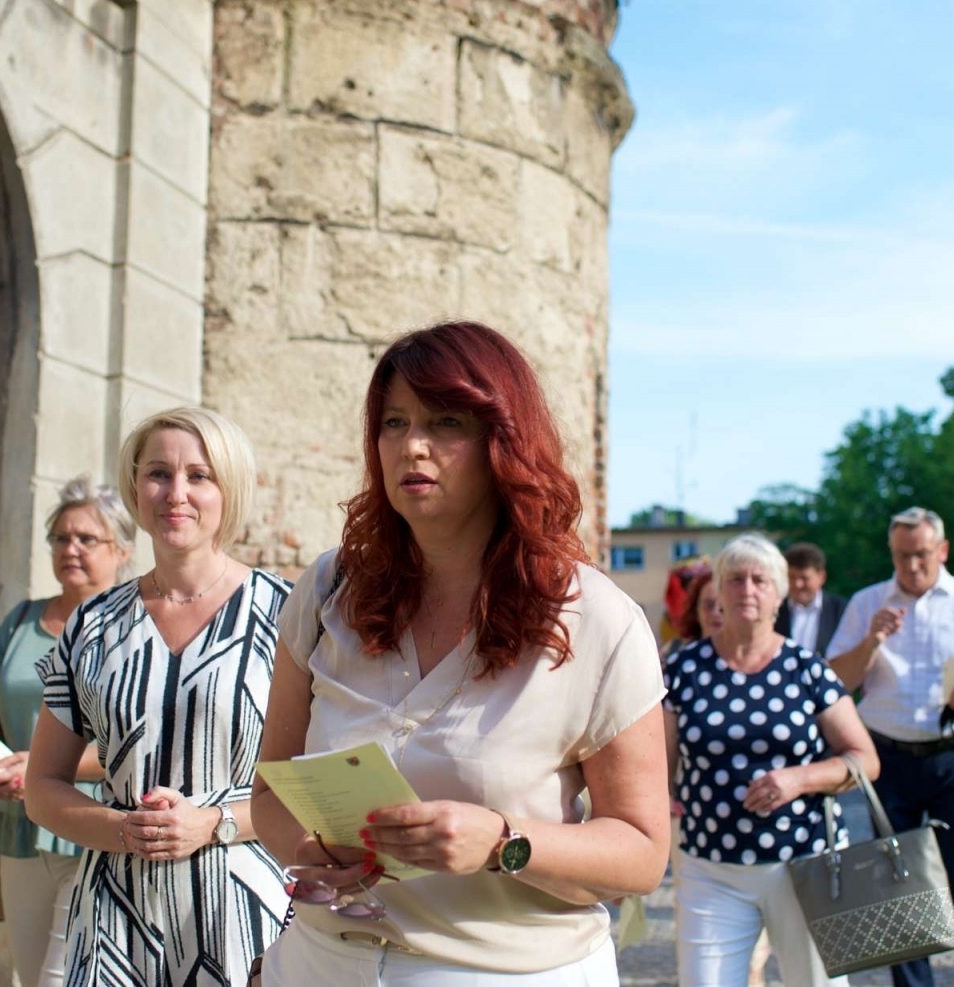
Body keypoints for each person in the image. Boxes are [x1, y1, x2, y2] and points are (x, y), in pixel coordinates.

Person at [252, 321, 670, 986]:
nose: (411, 446)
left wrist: (503, 843)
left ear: (503, 442)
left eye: (444, 422)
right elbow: (271, 785)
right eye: (393, 423)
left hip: (507, 972)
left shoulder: (597, 620)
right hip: (322, 964)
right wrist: (308, 849)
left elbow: (643, 853)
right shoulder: (328, 591)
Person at [25, 407, 292, 985]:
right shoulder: (91, 624)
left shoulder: (287, 613)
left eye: (200, 476)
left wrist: (213, 823)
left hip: (243, 911)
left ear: (230, 491)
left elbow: (318, 784)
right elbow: (42, 787)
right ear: (134, 486)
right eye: (158, 474)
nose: (177, 493)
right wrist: (123, 830)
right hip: (115, 918)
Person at [668, 533, 878, 987]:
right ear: (719, 591)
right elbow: (658, 766)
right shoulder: (683, 670)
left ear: (780, 594)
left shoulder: (808, 669)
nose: (747, 589)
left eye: (760, 580)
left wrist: (801, 779)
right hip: (710, 865)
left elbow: (865, 758)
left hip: (806, 861)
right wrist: (661, 802)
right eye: (736, 579)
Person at [827, 507, 954, 987]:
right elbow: (837, 683)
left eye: (922, 555)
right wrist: (872, 640)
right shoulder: (868, 602)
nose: (911, 566)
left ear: (943, 551)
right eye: (902, 556)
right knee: (899, 881)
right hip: (889, 759)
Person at [0, 476, 132, 987]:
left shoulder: (135, 627)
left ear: (122, 550)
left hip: (98, 828)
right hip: (19, 830)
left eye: (87, 538)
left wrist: (37, 766)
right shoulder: (19, 623)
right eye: (61, 537)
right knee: (29, 971)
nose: (71, 548)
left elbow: (141, 743)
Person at [775, 543, 845, 658]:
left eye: (804, 578)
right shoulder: (775, 610)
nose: (797, 584)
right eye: (791, 577)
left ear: (821, 577)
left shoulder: (841, 610)